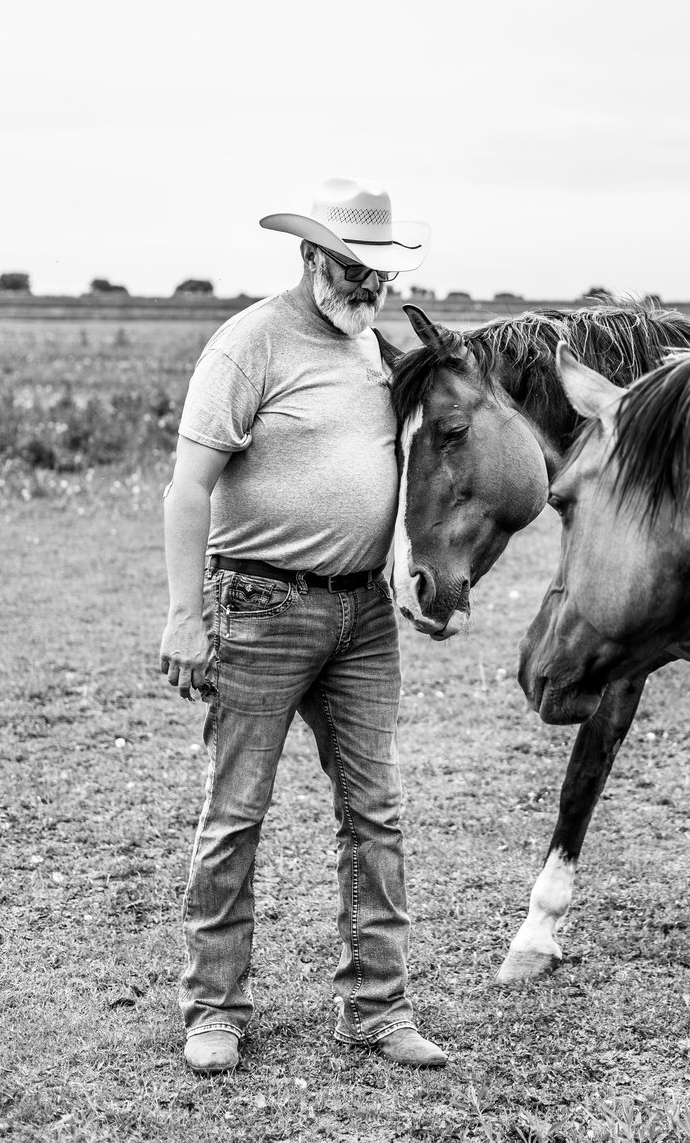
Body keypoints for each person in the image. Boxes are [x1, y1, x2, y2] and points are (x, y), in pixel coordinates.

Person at [159, 177, 447, 1074]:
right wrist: (183, 616)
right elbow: (188, 488)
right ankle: (215, 1007)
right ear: (311, 257)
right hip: (257, 607)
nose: (369, 290)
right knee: (235, 813)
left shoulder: (380, 349)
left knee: (376, 814)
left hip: (363, 614)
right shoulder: (249, 343)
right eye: (353, 271)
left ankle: (377, 1008)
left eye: (380, 275)